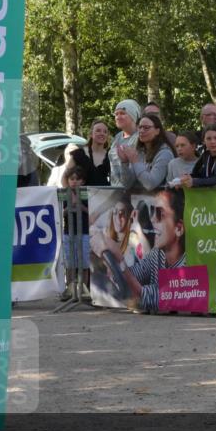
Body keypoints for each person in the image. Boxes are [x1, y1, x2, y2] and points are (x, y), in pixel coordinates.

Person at [97, 188, 186, 313]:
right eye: (152, 211)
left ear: (179, 228)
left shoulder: (188, 264)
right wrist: (112, 267)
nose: (153, 219)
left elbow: (146, 296)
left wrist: (119, 260)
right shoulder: (158, 254)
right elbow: (135, 275)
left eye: (160, 213)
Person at [117, 114, 175, 192]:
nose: (141, 131)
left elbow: (150, 184)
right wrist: (124, 163)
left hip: (160, 202)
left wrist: (135, 162)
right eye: (140, 127)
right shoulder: (139, 151)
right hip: (139, 201)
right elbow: (127, 184)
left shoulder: (165, 153)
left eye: (146, 128)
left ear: (157, 131)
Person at [61, 167, 91, 298]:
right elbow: (60, 213)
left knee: (84, 262)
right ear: (67, 180)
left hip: (84, 232)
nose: (74, 182)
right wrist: (70, 206)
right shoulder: (64, 194)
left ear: (83, 181)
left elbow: (91, 212)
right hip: (69, 232)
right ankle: (69, 289)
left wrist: (80, 205)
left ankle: (84, 289)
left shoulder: (87, 194)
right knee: (70, 263)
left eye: (77, 179)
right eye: (72, 179)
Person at [65, 120, 111, 187]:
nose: (102, 133)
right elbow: (65, 178)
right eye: (98, 130)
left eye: (105, 132)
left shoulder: (111, 155)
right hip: (82, 196)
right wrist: (72, 195)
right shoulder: (78, 154)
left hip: (104, 196)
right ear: (91, 134)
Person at [109, 100, 141, 187]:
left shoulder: (140, 137)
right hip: (115, 192)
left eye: (122, 113)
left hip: (134, 193)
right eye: (116, 114)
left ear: (133, 116)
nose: (118, 117)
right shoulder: (117, 137)